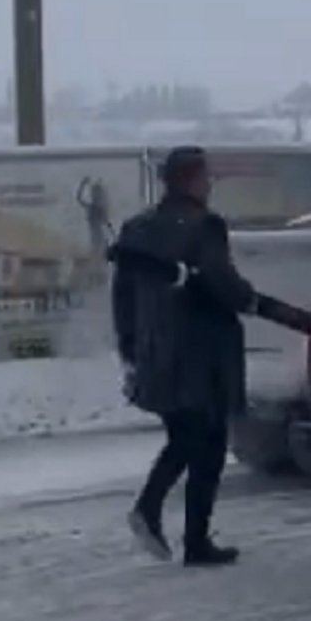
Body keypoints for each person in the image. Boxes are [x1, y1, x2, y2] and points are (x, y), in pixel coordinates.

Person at [109, 146, 260, 566]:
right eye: (206, 177)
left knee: (186, 436)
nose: (210, 184)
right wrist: (247, 300)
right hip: (201, 352)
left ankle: (192, 539)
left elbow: (122, 295)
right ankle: (155, 511)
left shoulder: (137, 228)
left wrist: (129, 345)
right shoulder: (203, 226)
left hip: (155, 351)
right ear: (191, 180)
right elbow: (221, 284)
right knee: (205, 442)